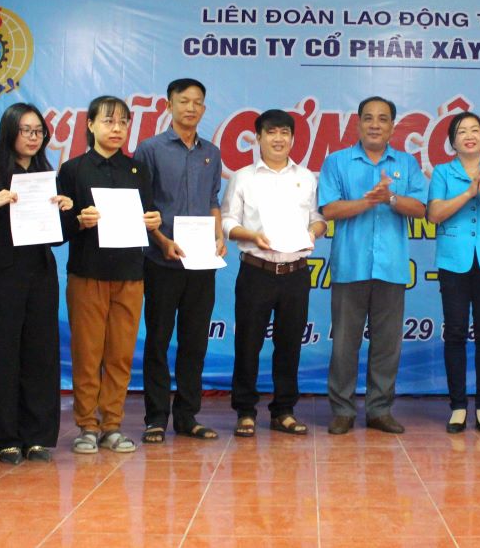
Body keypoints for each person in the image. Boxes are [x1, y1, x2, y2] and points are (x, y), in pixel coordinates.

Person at [57, 96, 160, 454]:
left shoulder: (138, 170)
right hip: (88, 273)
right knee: (87, 353)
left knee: (119, 354)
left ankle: (112, 424)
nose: (116, 129)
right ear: (90, 125)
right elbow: (58, 228)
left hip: (131, 273)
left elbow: (148, 216)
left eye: (123, 123)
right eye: (108, 121)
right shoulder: (72, 170)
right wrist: (77, 221)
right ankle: (87, 424)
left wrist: (154, 221)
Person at [319, 96, 427, 435]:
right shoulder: (337, 162)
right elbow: (329, 210)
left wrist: (390, 199)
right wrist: (368, 201)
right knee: (344, 344)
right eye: (368, 118)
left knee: (386, 344)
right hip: (349, 265)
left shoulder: (407, 164)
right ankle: (342, 410)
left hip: (391, 267)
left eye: (383, 119)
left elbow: (421, 208)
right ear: (358, 124)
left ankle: (380, 410)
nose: (375, 125)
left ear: (393, 126)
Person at [0, 103, 74, 463]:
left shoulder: (49, 175)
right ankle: (3, 439)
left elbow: (59, 237)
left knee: (40, 354)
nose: (33, 137)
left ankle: (36, 437)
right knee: (2, 354)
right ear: (10, 132)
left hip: (41, 273)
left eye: (38, 132)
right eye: (25, 130)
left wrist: (67, 210)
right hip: (4, 273)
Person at [220, 109, 326, 437]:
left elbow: (316, 217)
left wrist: (316, 231)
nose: (278, 139)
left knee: (289, 343)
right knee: (248, 343)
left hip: (295, 272)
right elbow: (226, 221)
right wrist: (250, 236)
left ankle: (284, 410)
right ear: (258, 138)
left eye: (284, 133)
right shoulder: (243, 177)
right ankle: (245, 411)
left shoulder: (307, 177)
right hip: (257, 271)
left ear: (293, 139)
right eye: (271, 132)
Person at [135, 79, 225, 443]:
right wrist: (161, 240)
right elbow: (142, 206)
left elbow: (213, 201)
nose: (191, 108)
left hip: (202, 262)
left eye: (197, 103)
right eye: (183, 101)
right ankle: (156, 417)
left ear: (204, 109)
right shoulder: (150, 149)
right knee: (157, 340)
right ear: (168, 105)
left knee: (195, 342)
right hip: (161, 259)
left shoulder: (212, 152)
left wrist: (219, 237)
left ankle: (188, 416)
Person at [427, 111, 480, 434]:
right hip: (453, 262)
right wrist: (468, 193)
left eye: (475, 130)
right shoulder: (442, 172)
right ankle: (458, 406)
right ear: (452, 142)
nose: (469, 135)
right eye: (461, 131)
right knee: (455, 333)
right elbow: (434, 214)